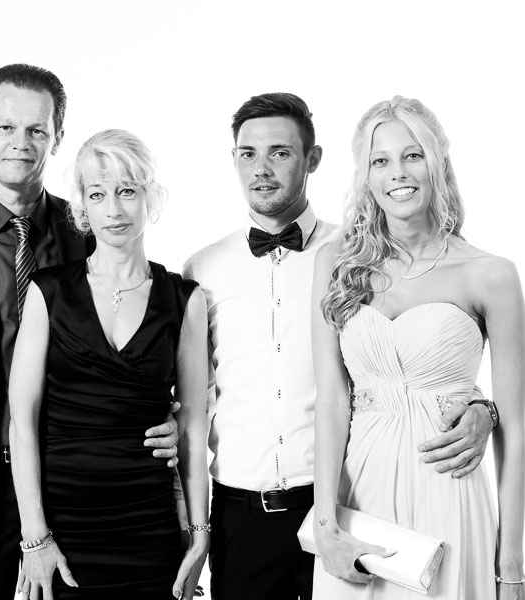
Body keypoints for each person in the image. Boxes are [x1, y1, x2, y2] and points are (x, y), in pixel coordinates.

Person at [183, 92, 497, 600]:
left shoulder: (354, 257)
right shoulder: (202, 269)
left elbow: (408, 357)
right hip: (241, 518)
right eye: (248, 154)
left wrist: (482, 405)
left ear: (313, 159)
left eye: (280, 152)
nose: (261, 169)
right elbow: (192, 407)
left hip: (350, 501)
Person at [0, 64, 179, 600]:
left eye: (36, 130)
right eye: (6, 127)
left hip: (71, 490)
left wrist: (169, 418)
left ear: (57, 137)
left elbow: (139, 336)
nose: (20, 143)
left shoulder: (93, 230)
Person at [311, 96, 524, 599]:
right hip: (358, 498)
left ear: (438, 163)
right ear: (365, 176)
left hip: (449, 490)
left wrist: (512, 566)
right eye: (380, 161)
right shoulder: (335, 263)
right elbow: (331, 400)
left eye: (413, 155)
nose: (398, 173)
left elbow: (516, 426)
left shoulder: (490, 274)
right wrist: (325, 527)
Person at [9, 129, 210, 599]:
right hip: (64, 526)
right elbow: (22, 422)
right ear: (82, 205)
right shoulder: (47, 291)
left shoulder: (184, 299)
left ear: (150, 197)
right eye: (98, 194)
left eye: (127, 191)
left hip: (149, 523)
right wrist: (35, 536)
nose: (114, 210)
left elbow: (193, 427)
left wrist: (200, 532)